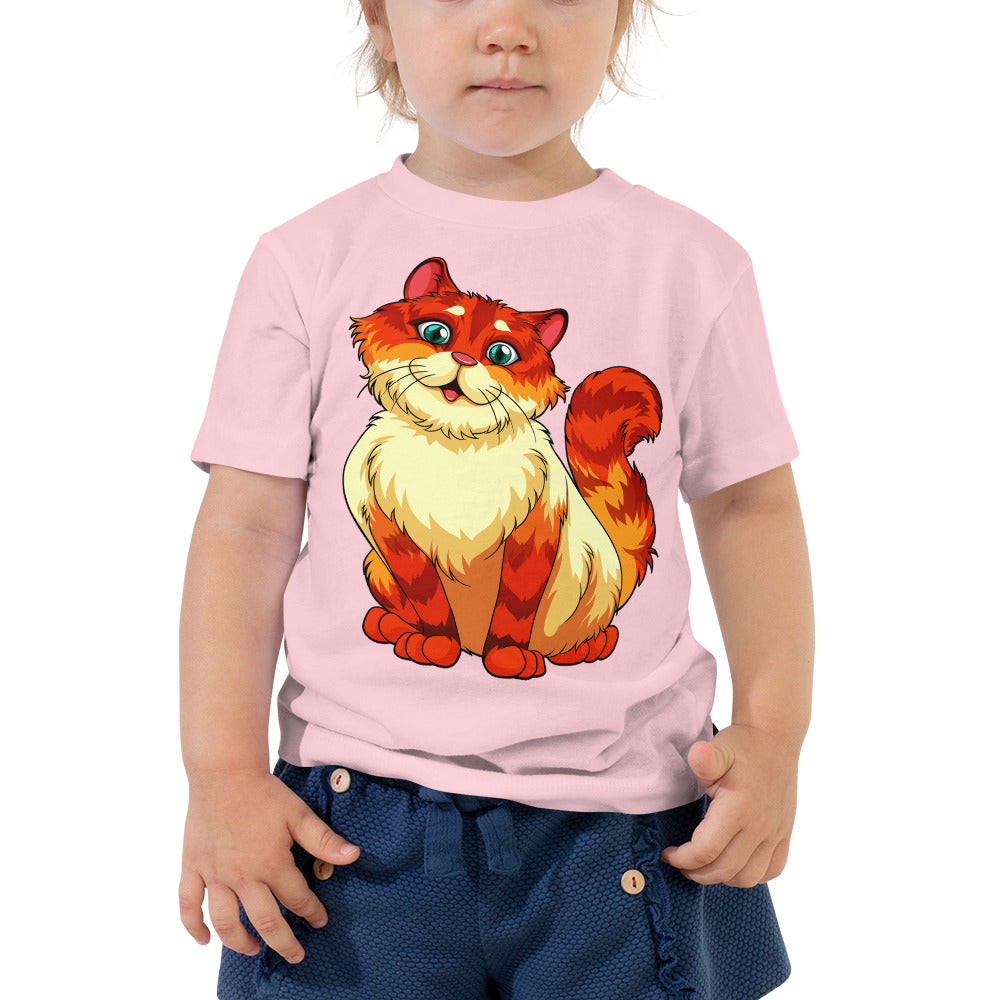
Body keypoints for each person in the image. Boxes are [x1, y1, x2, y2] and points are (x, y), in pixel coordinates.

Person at [178, 1, 814, 998]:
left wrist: (773, 736)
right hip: (350, 823)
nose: (508, 28)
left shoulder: (692, 263)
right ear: (379, 16)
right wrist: (221, 775)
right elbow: (246, 529)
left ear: (621, 15)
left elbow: (750, 508)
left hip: (626, 821)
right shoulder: (305, 259)